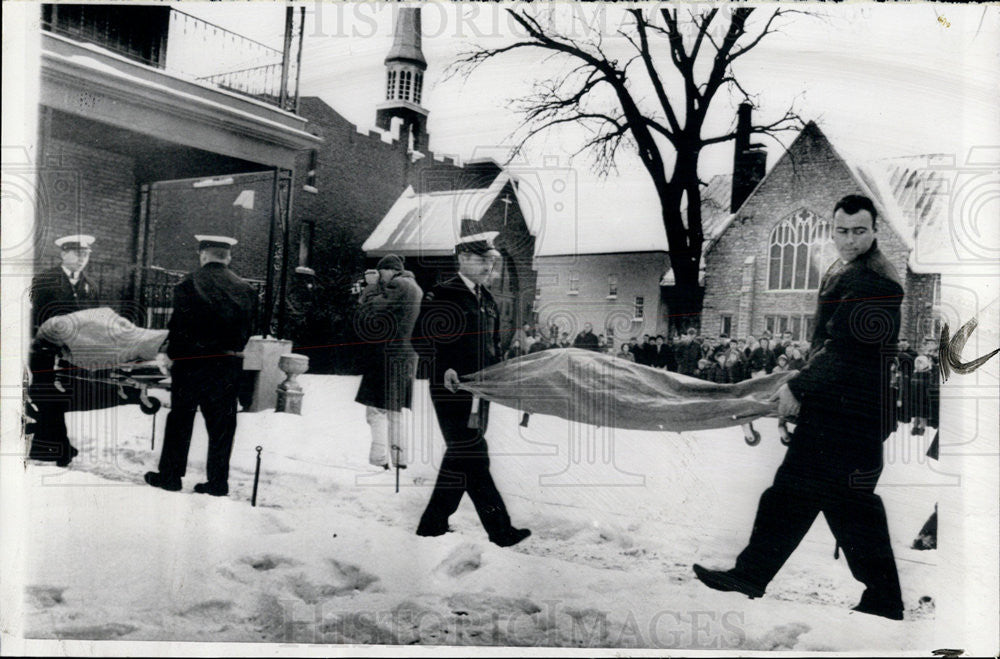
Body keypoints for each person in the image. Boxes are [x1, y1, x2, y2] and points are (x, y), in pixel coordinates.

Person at [694, 194, 906, 620]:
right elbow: (831, 346)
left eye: (859, 231)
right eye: (841, 231)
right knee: (813, 499)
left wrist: (799, 386)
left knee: (834, 503)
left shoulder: (876, 281)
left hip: (849, 415)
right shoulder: (851, 269)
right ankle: (756, 574)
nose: (848, 240)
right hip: (842, 412)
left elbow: (847, 350)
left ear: (874, 231)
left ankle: (879, 597)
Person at [414, 228, 530, 547]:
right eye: (483, 261)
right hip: (450, 389)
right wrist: (444, 367)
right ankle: (500, 530)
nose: (489, 268)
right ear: (463, 259)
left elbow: (491, 346)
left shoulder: (487, 300)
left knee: (463, 455)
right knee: (473, 453)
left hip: (481, 391)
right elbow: (421, 340)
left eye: (491, 262)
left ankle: (433, 523)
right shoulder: (443, 294)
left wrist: (505, 360)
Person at [145, 235, 256, 496]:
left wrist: (173, 356)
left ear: (203, 255)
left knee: (181, 418)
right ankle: (218, 483)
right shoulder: (246, 289)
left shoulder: (187, 284)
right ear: (228, 257)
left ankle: (170, 477)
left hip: (192, 363)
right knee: (223, 424)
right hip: (228, 364)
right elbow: (248, 331)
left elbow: (178, 327)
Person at [27, 234, 101, 465]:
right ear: (63, 254)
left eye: (86, 254)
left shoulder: (91, 285)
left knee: (55, 399)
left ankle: (44, 446)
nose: (81, 259)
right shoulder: (44, 281)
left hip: (73, 353)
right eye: (77, 253)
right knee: (47, 394)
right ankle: (60, 448)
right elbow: (33, 317)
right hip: (44, 351)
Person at [354, 254, 423, 471]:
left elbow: (373, 311)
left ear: (391, 270)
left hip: (387, 355)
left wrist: (370, 288)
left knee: (375, 409)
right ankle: (399, 458)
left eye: (381, 271)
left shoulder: (398, 285)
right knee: (394, 411)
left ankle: (378, 459)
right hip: (406, 357)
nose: (380, 276)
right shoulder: (415, 287)